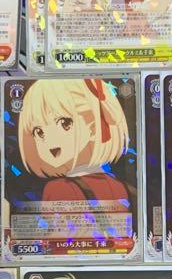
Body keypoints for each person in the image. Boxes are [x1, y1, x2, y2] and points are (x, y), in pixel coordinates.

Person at [16, 78, 130, 206]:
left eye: (65, 123)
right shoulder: (119, 187)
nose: (50, 139)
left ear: (94, 128)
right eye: (39, 132)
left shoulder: (59, 189)